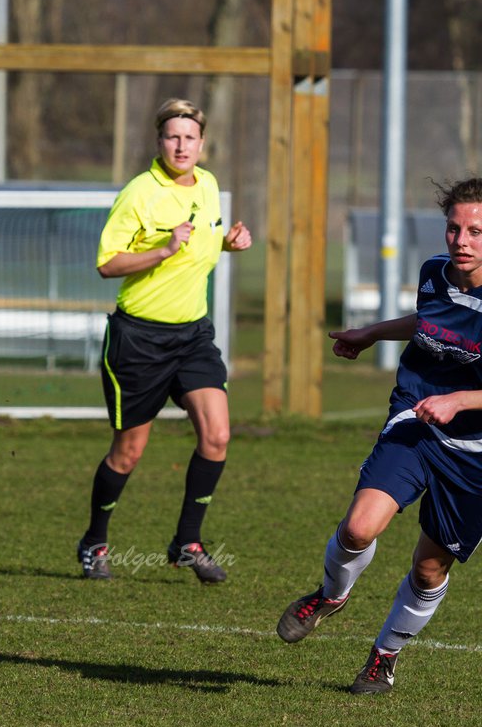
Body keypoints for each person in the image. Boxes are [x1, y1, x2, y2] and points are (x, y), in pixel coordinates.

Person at [277, 177, 482, 694]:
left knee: (429, 569)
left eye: (476, 232)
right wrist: (370, 333)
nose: (461, 240)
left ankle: (383, 657)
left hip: (475, 453)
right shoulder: (435, 272)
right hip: (417, 420)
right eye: (454, 228)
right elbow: (429, 321)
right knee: (358, 529)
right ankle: (330, 595)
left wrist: (460, 400)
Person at [79, 98, 253, 583]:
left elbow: (203, 241)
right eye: (173, 137)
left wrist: (227, 242)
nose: (181, 145)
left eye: (190, 138)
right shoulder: (140, 193)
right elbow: (107, 263)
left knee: (217, 435)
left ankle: (187, 542)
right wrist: (163, 248)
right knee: (128, 453)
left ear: (202, 144)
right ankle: (94, 541)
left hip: (193, 336)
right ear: (160, 142)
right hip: (139, 339)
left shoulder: (210, 184)